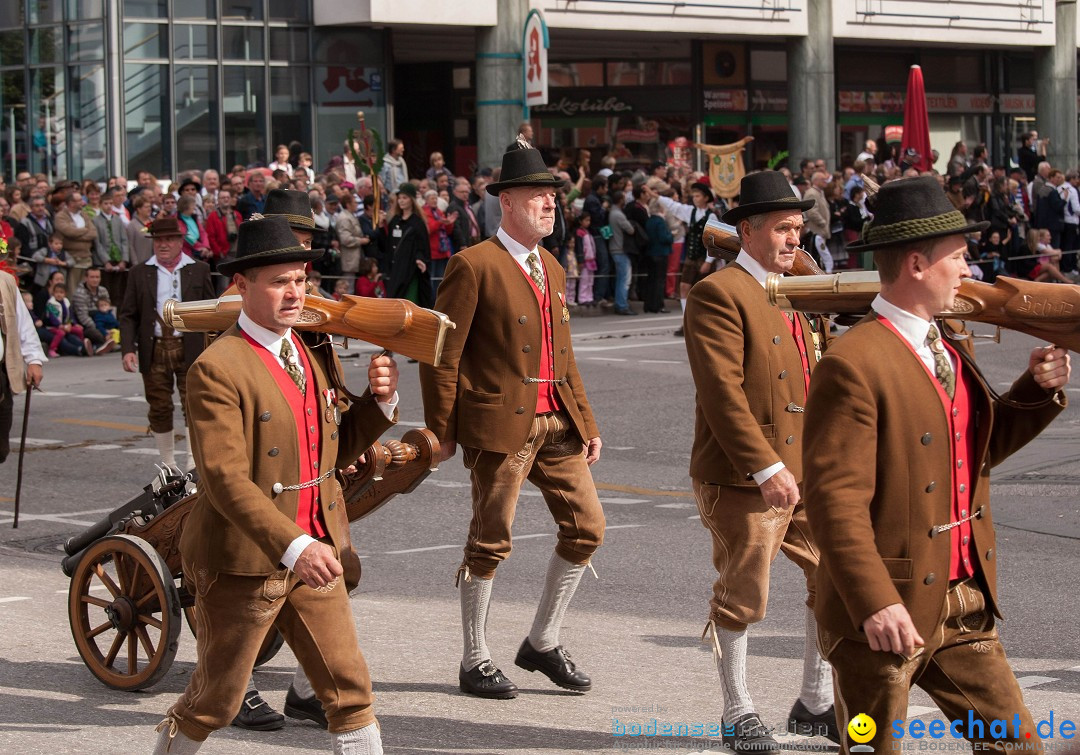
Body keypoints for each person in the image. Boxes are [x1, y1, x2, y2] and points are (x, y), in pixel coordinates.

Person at [803, 175, 1070, 754]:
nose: (970, 269)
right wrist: (874, 600)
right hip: (883, 613)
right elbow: (834, 502)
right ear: (919, 264)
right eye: (961, 257)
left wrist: (1036, 389)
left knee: (1017, 746)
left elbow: (973, 455)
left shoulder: (950, 343)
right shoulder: (853, 363)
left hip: (964, 601)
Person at [152, 214, 399, 755]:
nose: (294, 292)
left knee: (352, 694)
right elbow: (223, 480)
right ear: (241, 286)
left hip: (314, 549)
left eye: (300, 279)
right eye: (278, 281)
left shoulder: (305, 355)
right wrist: (294, 545)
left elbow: (327, 451)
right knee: (212, 703)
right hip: (244, 561)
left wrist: (379, 406)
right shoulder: (217, 367)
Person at [419, 146, 605, 701]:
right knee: (490, 541)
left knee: (587, 528)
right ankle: (474, 659)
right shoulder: (473, 264)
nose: (552, 202)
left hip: (558, 424)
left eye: (554, 195)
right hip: (499, 424)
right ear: (508, 201)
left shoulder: (550, 264)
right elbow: (442, 354)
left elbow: (563, 355)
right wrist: (442, 429)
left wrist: (587, 420)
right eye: (540, 195)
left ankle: (541, 642)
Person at [683, 171, 837, 754]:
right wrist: (764, 466)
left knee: (832, 578)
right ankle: (737, 709)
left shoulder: (792, 289)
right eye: (782, 228)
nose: (794, 239)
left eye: (798, 228)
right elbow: (723, 393)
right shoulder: (719, 293)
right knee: (743, 592)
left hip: (805, 467)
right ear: (746, 230)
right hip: (744, 475)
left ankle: (815, 702)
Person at [120, 217, 215, 469]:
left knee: (194, 404)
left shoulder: (199, 268)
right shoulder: (140, 272)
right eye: (158, 240)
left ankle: (193, 465)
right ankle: (168, 464)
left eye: (169, 239)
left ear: (179, 241)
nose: (163, 244)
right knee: (159, 406)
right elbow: (128, 314)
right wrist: (128, 349)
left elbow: (210, 310)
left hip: (190, 345)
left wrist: (214, 347)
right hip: (155, 346)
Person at [649, 179, 718, 336]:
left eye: (698, 195)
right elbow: (674, 207)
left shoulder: (711, 216)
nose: (695, 198)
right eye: (693, 195)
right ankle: (687, 321)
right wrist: (656, 196)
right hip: (691, 257)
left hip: (703, 257)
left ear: (706, 198)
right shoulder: (690, 212)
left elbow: (713, 240)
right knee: (684, 287)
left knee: (703, 291)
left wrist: (708, 261)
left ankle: (705, 323)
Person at [0, 251, 45, 464]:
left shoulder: (5, 281)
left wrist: (34, 359)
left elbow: (23, 323)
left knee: (0, 449)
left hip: (0, 374)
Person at [384, 183, 431, 307]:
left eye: (405, 198)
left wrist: (420, 259)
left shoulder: (417, 223)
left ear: (412, 200)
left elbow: (423, 246)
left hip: (410, 269)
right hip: (396, 268)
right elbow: (388, 244)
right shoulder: (394, 221)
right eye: (399, 198)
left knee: (410, 301)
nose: (401, 201)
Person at [71, 267, 116, 355]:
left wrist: (111, 325)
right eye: (92, 277)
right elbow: (83, 317)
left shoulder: (103, 290)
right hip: (89, 325)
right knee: (95, 333)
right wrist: (101, 330)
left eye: (97, 277)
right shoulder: (80, 294)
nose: (95, 280)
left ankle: (102, 346)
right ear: (86, 278)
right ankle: (104, 345)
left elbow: (109, 308)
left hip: (104, 320)